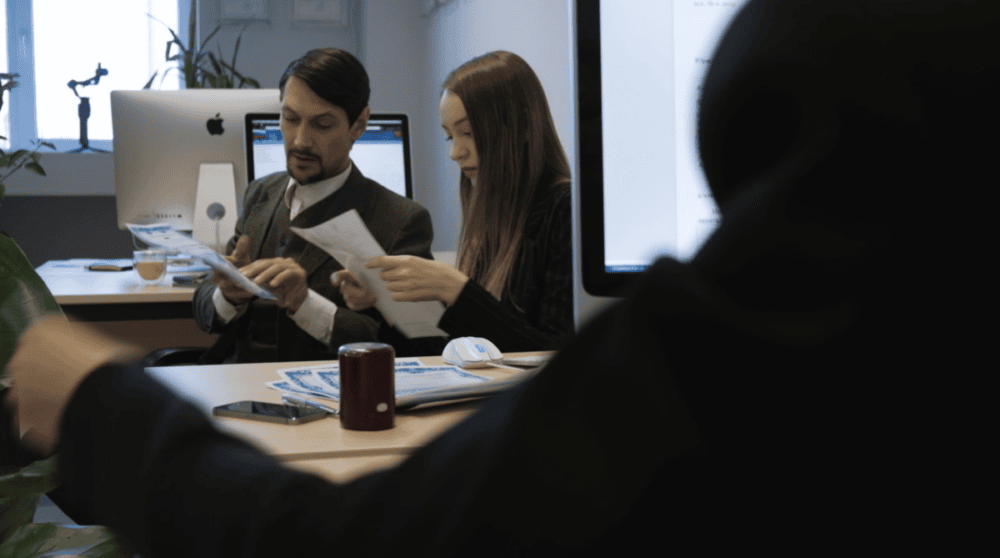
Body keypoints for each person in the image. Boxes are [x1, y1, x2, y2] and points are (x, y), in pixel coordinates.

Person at [5, 0, 991, 554]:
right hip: (257, 387)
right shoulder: (268, 194)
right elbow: (210, 314)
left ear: (353, 128)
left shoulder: (408, 219)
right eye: (290, 120)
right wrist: (227, 289)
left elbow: (428, 363)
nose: (455, 156)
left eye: (464, 137)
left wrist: (329, 306)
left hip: (327, 405)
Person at [192, 48, 435, 363]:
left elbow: (413, 348)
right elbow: (205, 307)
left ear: (359, 125)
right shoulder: (260, 193)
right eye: (290, 118)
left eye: (322, 124)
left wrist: (305, 304)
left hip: (328, 388)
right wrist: (227, 294)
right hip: (235, 380)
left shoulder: (400, 221)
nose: (300, 141)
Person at [336, 51, 574, 353]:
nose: (455, 153)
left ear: (523, 125)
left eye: (469, 133)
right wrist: (385, 307)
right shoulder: (493, 217)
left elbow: (556, 355)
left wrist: (458, 290)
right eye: (450, 137)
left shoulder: (565, 210)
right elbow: (456, 352)